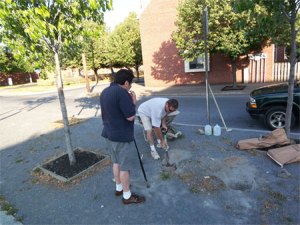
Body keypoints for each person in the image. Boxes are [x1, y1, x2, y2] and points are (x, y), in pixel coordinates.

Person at [100, 69, 145, 205]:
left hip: (109, 133)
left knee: (116, 162)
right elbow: (130, 117)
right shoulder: (122, 93)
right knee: (125, 167)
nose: (130, 86)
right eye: (130, 84)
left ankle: (119, 188)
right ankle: (127, 196)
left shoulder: (105, 91)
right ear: (126, 82)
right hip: (121, 136)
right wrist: (133, 102)